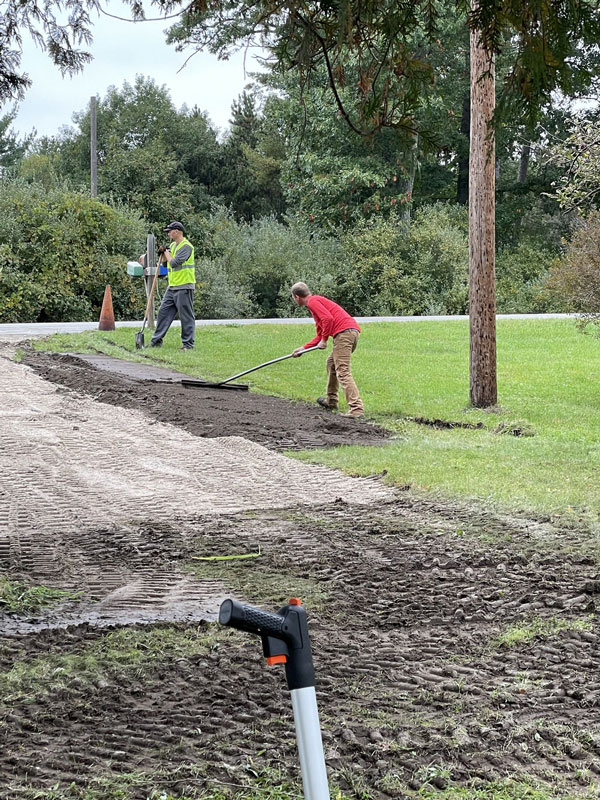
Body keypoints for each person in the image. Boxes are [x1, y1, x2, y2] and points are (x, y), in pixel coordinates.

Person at [291, 282, 364, 418]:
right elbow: (320, 334)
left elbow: (328, 319)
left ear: (297, 297)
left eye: (293, 298)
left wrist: (325, 340)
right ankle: (331, 402)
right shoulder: (314, 304)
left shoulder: (313, 301)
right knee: (331, 364)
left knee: (342, 371)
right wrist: (303, 349)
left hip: (344, 334)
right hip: (349, 333)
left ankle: (356, 409)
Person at [150, 221, 196, 351]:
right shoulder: (173, 246)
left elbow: (175, 263)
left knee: (186, 316)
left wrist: (167, 253)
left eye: (170, 231)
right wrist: (162, 255)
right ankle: (156, 341)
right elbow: (166, 264)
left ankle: (188, 345)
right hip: (172, 286)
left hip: (184, 286)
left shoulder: (186, 247)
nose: (168, 233)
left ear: (177, 231)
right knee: (163, 313)